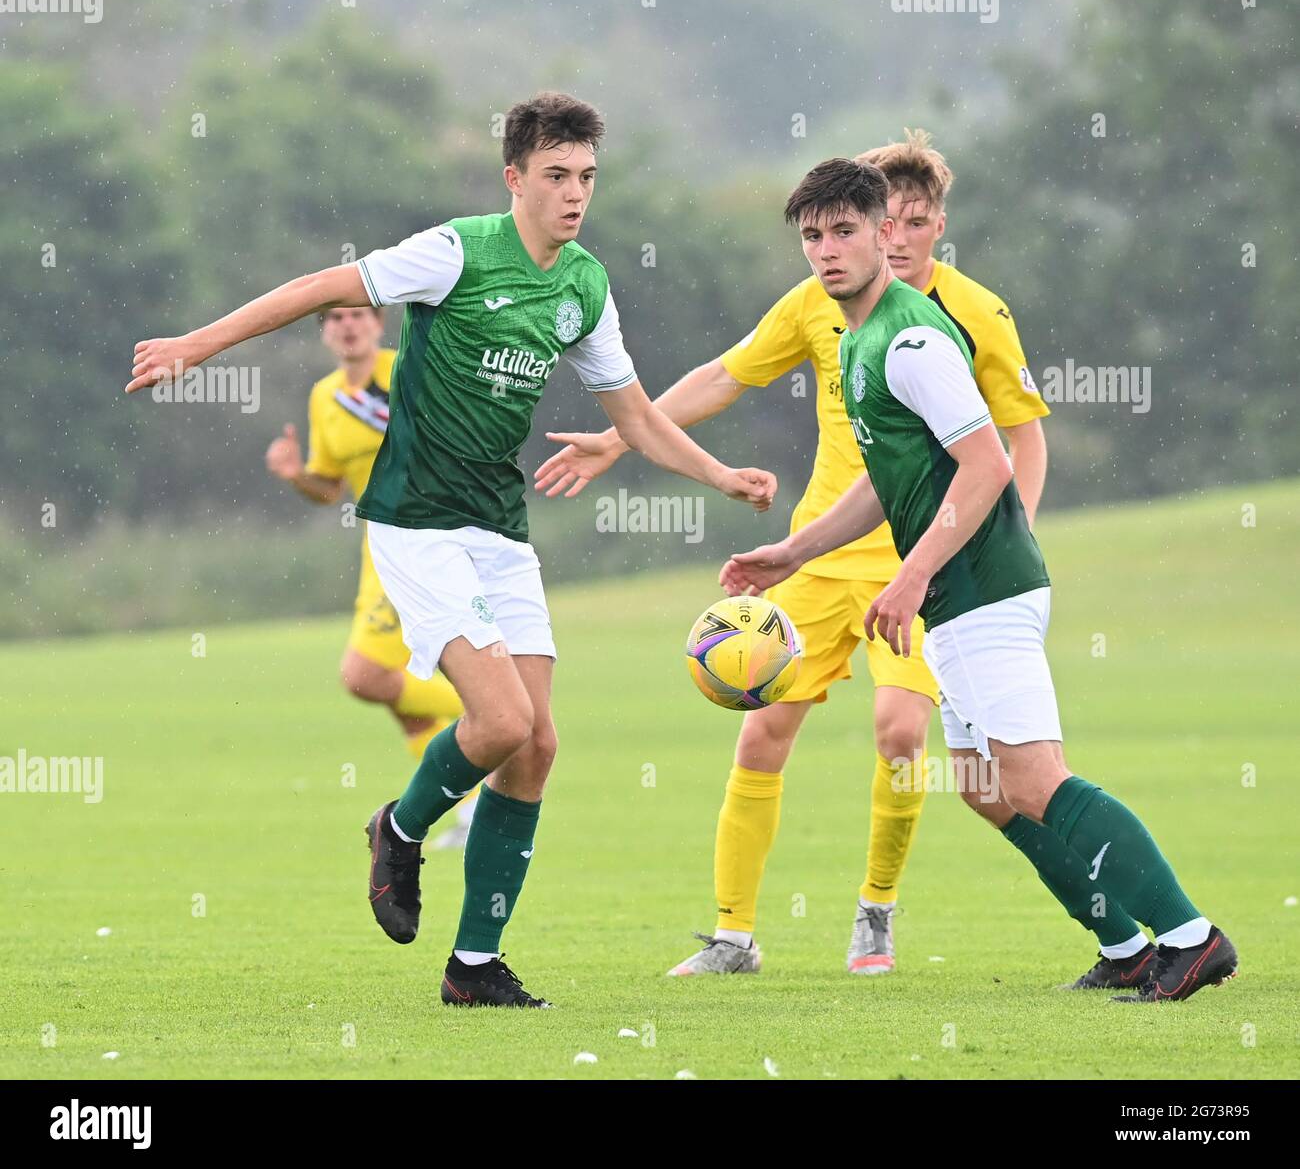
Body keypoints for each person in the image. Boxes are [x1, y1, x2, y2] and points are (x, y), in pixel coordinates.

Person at [127, 91, 777, 1009]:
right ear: (515, 178)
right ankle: (400, 825)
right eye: (555, 175)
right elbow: (323, 287)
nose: (573, 194)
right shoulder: (457, 250)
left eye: (586, 176)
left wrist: (720, 476)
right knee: (503, 720)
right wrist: (198, 343)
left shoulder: (585, 284)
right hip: (417, 520)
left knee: (538, 744)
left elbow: (633, 416)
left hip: (499, 529)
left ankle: (474, 966)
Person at [535, 131, 1055, 980]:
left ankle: (875, 911)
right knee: (760, 732)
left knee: (899, 733)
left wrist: (1006, 539)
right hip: (818, 550)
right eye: (878, 224)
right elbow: (724, 374)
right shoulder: (819, 301)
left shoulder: (973, 312)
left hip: (924, 558)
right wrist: (617, 438)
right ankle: (733, 936)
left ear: (930, 224)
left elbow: (1017, 443)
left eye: (916, 223)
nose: (895, 239)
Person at [719, 158, 1236, 1003]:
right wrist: (793, 551)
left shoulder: (912, 337)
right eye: (812, 236)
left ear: (887, 230)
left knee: (1033, 777)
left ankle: (1188, 935)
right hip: (961, 597)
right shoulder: (857, 339)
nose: (826, 250)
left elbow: (987, 460)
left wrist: (912, 574)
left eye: (845, 230)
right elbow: (886, 478)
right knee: (986, 788)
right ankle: (1123, 944)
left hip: (986, 588)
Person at [264, 306, 472, 850]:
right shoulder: (324, 396)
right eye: (334, 318)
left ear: (379, 325)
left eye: (358, 315)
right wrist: (295, 476)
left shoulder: (408, 369)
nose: (347, 325)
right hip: (378, 545)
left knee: (364, 675)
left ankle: (499, 716)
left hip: (425, 533)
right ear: (325, 333)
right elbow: (329, 487)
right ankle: (473, 808)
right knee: (405, 702)